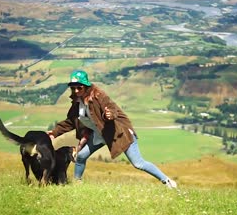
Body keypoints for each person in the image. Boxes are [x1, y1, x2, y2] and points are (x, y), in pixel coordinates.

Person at [48, 70, 177, 188]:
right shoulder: (77, 102)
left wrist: (110, 114)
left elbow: (112, 108)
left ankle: (167, 181)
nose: (76, 90)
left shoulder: (99, 96)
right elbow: (70, 121)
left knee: (138, 163)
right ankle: (77, 183)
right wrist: (54, 133)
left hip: (119, 133)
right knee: (81, 156)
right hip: (100, 134)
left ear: (86, 86)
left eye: (79, 87)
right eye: (73, 88)